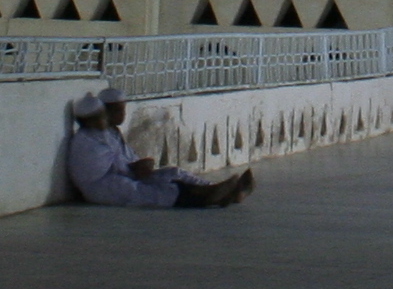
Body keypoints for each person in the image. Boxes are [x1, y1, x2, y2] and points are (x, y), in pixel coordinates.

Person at [65, 89, 254, 209]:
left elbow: (123, 159)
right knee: (159, 192)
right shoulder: (86, 141)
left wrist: (138, 165)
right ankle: (211, 197)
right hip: (106, 187)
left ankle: (218, 191)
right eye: (102, 115)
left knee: (173, 173)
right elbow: (95, 173)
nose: (104, 120)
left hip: (124, 177)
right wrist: (133, 169)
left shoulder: (108, 134)